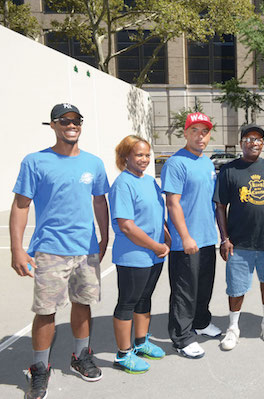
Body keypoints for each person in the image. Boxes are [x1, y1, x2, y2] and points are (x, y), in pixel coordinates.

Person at [10, 103, 108, 399]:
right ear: (52, 125)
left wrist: (104, 239)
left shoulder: (94, 163)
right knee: (46, 311)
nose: (71, 124)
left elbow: (100, 201)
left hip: (86, 249)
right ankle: (39, 369)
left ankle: (80, 357)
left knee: (83, 304)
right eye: (64, 120)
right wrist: (17, 250)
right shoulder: (35, 162)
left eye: (76, 120)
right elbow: (21, 205)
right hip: (51, 250)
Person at [214, 124, 264, 350]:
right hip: (239, 242)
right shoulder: (229, 170)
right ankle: (233, 327)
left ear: (262, 144)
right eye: (248, 138)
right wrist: (225, 238)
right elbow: (220, 206)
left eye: (258, 139)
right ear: (241, 143)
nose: (253, 142)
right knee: (236, 288)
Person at [161, 112, 221, 359]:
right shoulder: (176, 163)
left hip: (207, 238)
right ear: (185, 133)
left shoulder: (206, 162)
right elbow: (172, 203)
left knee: (204, 286)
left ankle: (201, 322)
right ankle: (182, 337)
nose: (200, 136)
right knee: (184, 291)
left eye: (204, 131)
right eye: (194, 130)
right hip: (186, 240)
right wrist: (184, 236)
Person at [109, 135, 171, 373]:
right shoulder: (123, 184)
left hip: (154, 254)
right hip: (133, 255)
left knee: (144, 299)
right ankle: (123, 354)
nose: (144, 159)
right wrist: (155, 246)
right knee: (127, 302)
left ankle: (141, 342)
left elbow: (156, 211)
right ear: (126, 157)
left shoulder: (148, 181)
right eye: (139, 155)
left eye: (147, 155)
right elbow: (126, 225)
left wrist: (165, 233)